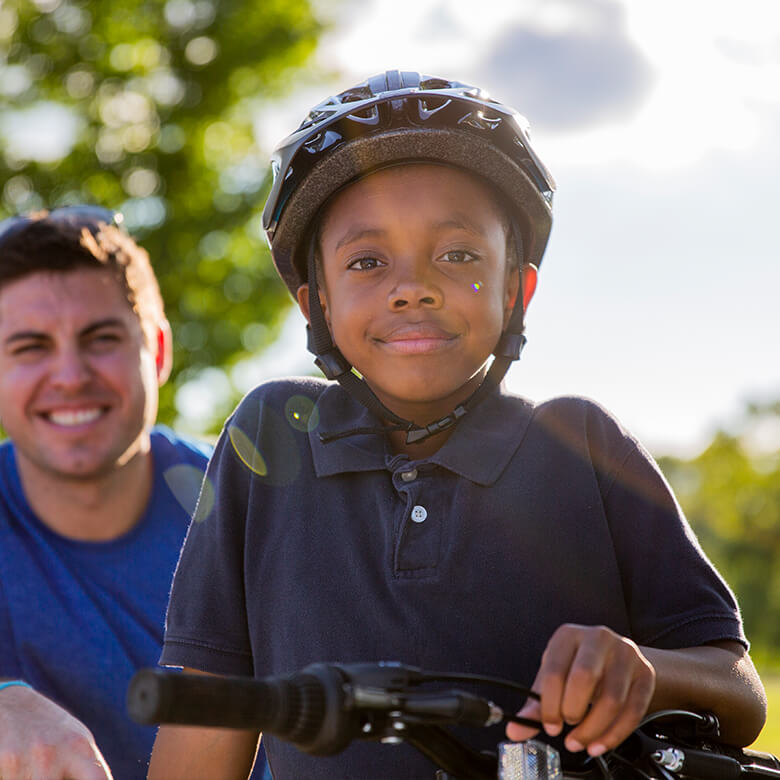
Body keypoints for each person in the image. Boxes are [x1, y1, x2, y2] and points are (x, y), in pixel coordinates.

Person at [148, 71, 767, 779]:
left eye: (459, 255)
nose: (413, 286)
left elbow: (739, 692)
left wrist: (649, 671)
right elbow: (207, 714)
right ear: (313, 301)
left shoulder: (585, 446)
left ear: (515, 289)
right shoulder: (271, 437)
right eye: (368, 261)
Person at [0, 207, 213, 780]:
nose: (69, 376)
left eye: (100, 339)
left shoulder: (259, 508)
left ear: (159, 352)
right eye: (30, 347)